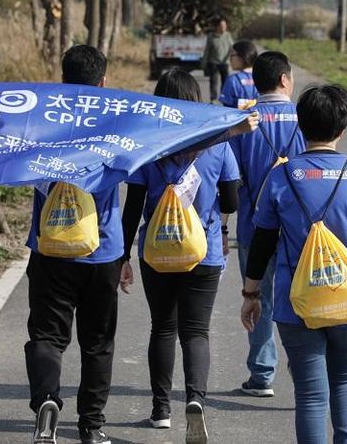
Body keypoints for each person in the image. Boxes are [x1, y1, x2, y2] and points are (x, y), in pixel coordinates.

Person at [240, 84, 347, 444]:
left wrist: (250, 293)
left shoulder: (281, 177)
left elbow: (262, 241)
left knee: (311, 396)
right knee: (346, 382)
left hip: (296, 304)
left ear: (300, 126)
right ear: (342, 129)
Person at [121, 68, 241, 444]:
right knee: (196, 331)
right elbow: (233, 200)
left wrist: (122, 256)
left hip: (156, 251)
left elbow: (133, 205)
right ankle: (196, 401)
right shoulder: (216, 142)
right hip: (203, 250)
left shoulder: (149, 142)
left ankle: (160, 410)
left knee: (163, 327)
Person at [25, 45, 121, 444]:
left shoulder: (41, 120)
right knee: (97, 342)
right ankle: (92, 425)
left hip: (50, 248)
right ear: (103, 82)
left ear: (62, 78)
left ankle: (47, 397)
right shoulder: (120, 122)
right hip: (103, 251)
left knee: (47, 334)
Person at [229, 51, 305, 398]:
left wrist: (223, 222)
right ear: (285, 80)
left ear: (254, 83)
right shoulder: (306, 119)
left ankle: (262, 373)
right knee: (300, 297)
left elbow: (230, 179)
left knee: (257, 295)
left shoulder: (243, 122)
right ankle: (306, 373)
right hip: (299, 228)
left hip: (253, 225)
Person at [218, 40, 259, 109]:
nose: (230, 59)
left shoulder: (233, 80)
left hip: (238, 118)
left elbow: (227, 107)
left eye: (232, 55)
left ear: (242, 56)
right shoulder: (263, 78)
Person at [202, 19, 233, 102]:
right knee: (214, 81)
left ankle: (223, 98)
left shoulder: (228, 35)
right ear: (217, 27)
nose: (224, 28)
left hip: (224, 62)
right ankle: (213, 98)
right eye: (222, 26)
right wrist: (204, 63)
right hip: (213, 62)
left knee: (225, 81)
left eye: (225, 26)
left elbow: (231, 48)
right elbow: (207, 50)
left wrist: (231, 59)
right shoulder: (211, 36)